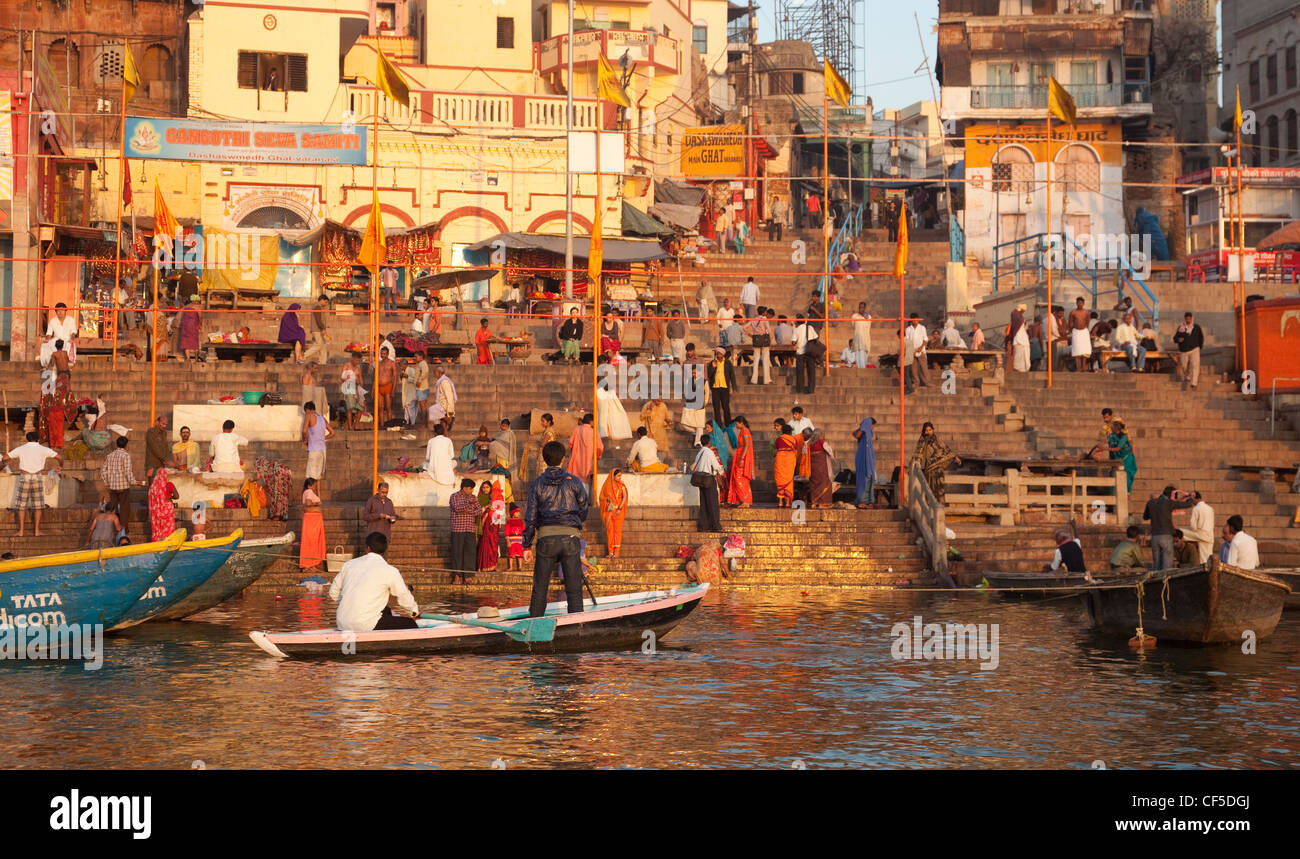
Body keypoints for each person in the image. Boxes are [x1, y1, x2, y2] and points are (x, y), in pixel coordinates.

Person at [522, 441, 590, 617]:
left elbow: (530, 517)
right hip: (570, 537)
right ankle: (577, 627)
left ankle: (534, 627)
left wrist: (526, 545)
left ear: (545, 460)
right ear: (563, 459)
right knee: (574, 588)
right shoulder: (573, 481)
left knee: (540, 588)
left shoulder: (537, 484)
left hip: (546, 539)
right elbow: (584, 508)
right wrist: (574, 523)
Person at [329, 532, 420, 631]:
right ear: (385, 550)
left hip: (342, 623)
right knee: (410, 624)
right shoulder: (390, 570)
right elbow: (403, 595)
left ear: (367, 548)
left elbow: (333, 592)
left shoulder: (348, 564)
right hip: (366, 625)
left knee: (386, 610)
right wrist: (414, 612)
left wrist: (347, 604)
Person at [5, 432, 62, 537]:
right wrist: (60, 466)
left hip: (25, 477)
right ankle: (36, 531)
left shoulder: (21, 448)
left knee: (21, 506)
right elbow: (59, 457)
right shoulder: (43, 449)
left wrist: (5, 463)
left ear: (27, 439)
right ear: (38, 439)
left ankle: (21, 531)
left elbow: (5, 457)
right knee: (38, 506)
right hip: (37, 476)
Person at [1143, 485, 1195, 571]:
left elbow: (1145, 517)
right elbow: (1188, 504)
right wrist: (1190, 497)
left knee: (1156, 566)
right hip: (1166, 537)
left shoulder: (1150, 503)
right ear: (1171, 495)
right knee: (1166, 568)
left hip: (1154, 537)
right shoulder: (1168, 503)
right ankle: (1165, 584)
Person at [911, 422, 960, 503]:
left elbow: (945, 449)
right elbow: (917, 454)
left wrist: (955, 457)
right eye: (926, 430)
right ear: (923, 431)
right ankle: (929, 505)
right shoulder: (921, 441)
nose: (928, 432)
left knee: (938, 488)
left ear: (933, 430)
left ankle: (940, 505)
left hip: (936, 469)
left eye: (930, 430)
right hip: (925, 469)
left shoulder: (937, 440)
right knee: (927, 489)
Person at [101, 436, 140, 534]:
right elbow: (128, 472)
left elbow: (103, 470)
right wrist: (135, 482)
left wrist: (106, 482)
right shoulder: (125, 455)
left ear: (116, 444)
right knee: (124, 509)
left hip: (113, 487)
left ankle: (114, 528)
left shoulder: (110, 455)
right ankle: (123, 530)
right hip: (123, 487)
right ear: (126, 445)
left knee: (113, 508)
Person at [448, 478, 480, 583]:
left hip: (470, 528)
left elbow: (479, 511)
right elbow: (457, 508)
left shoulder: (474, 497)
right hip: (458, 528)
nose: (472, 491)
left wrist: (467, 509)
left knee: (470, 552)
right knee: (457, 552)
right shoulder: (454, 497)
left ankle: (468, 576)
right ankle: (457, 575)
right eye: (471, 489)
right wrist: (469, 503)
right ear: (465, 488)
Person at [691, 440, 725, 531]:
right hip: (709, 479)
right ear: (709, 442)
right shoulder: (709, 452)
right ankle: (715, 526)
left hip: (700, 480)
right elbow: (716, 466)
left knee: (704, 504)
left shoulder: (700, 453)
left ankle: (703, 526)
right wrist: (722, 472)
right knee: (713, 503)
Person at [599, 467, 629, 557]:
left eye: (621, 476)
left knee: (617, 531)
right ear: (613, 476)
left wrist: (620, 508)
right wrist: (606, 499)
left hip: (618, 511)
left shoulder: (622, 485)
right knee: (610, 531)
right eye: (618, 476)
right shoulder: (606, 485)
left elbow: (625, 497)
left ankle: (616, 552)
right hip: (609, 511)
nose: (620, 478)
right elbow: (601, 497)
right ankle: (610, 552)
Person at [726, 416, 755, 507]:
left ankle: (745, 501)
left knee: (738, 477)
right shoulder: (744, 431)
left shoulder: (745, 431)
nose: (736, 425)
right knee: (741, 479)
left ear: (741, 423)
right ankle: (744, 501)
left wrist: (742, 458)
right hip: (740, 455)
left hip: (742, 457)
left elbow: (746, 445)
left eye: (737, 423)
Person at [566, 413, 603, 482]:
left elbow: (570, 444)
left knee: (573, 480)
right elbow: (600, 447)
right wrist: (598, 456)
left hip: (575, 463)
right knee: (585, 484)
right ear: (591, 421)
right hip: (587, 463)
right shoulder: (593, 432)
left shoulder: (576, 429)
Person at [477, 479, 504, 573]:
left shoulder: (495, 497)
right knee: (485, 543)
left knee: (494, 542)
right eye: (483, 487)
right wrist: (485, 507)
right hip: (484, 523)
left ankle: (493, 564)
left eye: (487, 487)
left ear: (491, 488)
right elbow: (476, 512)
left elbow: (500, 510)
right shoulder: (479, 498)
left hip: (494, 522)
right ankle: (483, 565)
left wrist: (498, 518)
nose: (485, 489)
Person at [146, 466, 179, 541]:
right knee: (168, 527)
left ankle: (157, 541)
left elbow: (151, 500)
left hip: (156, 510)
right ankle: (169, 541)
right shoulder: (169, 484)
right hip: (167, 508)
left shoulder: (153, 487)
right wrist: (170, 498)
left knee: (158, 527)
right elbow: (177, 496)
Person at [1173, 311, 1204, 390]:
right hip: (1184, 350)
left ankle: (1194, 383)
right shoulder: (1181, 328)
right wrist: (1178, 340)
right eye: (1187, 318)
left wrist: (1199, 347)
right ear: (1185, 319)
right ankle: (1188, 376)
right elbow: (1175, 338)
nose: (1188, 320)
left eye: (1189, 318)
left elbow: (1201, 338)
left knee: (1195, 365)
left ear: (1191, 318)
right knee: (1184, 366)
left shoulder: (1196, 327)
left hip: (1194, 349)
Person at [300, 477, 325, 572]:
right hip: (312, 520)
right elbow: (308, 503)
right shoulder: (309, 492)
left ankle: (311, 564)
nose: (315, 487)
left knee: (311, 541)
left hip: (313, 520)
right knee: (311, 541)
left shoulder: (308, 492)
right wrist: (317, 504)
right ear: (309, 485)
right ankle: (308, 564)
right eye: (314, 485)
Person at [1183, 491, 1215, 564]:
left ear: (1195, 498)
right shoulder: (1210, 508)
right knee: (1208, 557)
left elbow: (1193, 526)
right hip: (1210, 535)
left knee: (1180, 532)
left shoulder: (1196, 509)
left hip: (1200, 534)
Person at [707, 347, 736, 429]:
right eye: (717, 353)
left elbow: (732, 376)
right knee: (716, 407)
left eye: (719, 353)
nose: (718, 355)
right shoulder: (713, 363)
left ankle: (728, 423)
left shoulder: (728, 363)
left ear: (723, 354)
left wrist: (734, 387)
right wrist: (713, 366)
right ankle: (718, 424)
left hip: (724, 387)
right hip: (715, 387)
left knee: (725, 406)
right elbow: (709, 375)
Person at [773, 423, 799, 508]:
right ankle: (787, 502)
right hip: (790, 462)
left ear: (783, 431)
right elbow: (796, 452)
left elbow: (775, 451)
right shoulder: (794, 440)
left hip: (780, 461)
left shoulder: (778, 439)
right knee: (789, 481)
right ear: (790, 431)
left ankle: (780, 502)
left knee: (780, 480)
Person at [1107, 420, 1137, 492]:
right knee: (1113, 475)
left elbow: (1118, 448)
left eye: (1112, 427)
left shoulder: (1124, 437)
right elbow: (1108, 445)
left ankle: (1127, 493)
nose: (1111, 427)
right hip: (1116, 458)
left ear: (1116, 429)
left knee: (1127, 478)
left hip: (1127, 459)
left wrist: (1104, 448)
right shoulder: (1111, 436)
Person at [807, 428, 834, 508]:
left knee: (814, 483)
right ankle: (822, 503)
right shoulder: (822, 442)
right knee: (825, 482)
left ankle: (814, 503)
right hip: (822, 466)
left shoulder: (809, 443)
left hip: (812, 466)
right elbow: (830, 451)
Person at [793, 315, 820, 395]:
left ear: (797, 321)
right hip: (810, 352)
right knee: (811, 371)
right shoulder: (810, 328)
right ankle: (811, 389)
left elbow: (793, 342)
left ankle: (800, 389)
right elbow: (816, 337)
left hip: (800, 352)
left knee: (800, 371)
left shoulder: (796, 329)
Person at [854, 417, 877, 508]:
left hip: (869, 460)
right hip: (863, 460)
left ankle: (870, 501)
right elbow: (856, 435)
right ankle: (862, 501)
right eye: (873, 426)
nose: (873, 428)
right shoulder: (862, 433)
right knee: (864, 479)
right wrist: (862, 427)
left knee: (871, 479)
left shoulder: (869, 435)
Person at [302, 294, 332, 365]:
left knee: (323, 346)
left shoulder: (319, 307)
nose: (326, 304)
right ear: (321, 300)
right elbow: (318, 320)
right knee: (319, 345)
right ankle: (303, 355)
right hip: (317, 330)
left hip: (319, 329)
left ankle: (322, 363)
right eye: (325, 302)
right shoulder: (317, 306)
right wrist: (322, 329)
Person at [746, 310, 773, 384]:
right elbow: (769, 331)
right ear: (764, 312)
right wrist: (770, 341)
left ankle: (754, 380)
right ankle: (766, 380)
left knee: (756, 360)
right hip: (764, 341)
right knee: (766, 360)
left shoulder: (753, 319)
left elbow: (744, 328)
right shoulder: (765, 319)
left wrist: (751, 335)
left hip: (756, 340)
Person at [143, 414, 171, 482]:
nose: (164, 426)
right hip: (151, 465)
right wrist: (166, 460)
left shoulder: (164, 433)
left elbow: (166, 447)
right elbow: (155, 448)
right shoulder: (151, 432)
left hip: (161, 465)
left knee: (160, 486)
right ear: (158, 422)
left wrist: (166, 459)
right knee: (152, 486)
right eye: (163, 424)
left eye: (166, 424)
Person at [1067, 297, 1092, 372]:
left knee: (1084, 350)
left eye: (1081, 302)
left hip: (1084, 332)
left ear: (1083, 303)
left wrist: (1085, 330)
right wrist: (1072, 331)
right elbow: (1070, 323)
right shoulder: (1073, 312)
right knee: (1076, 350)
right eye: (1078, 302)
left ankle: (1083, 367)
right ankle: (1078, 367)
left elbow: (1087, 323)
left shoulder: (1086, 312)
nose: (1080, 304)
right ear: (1076, 303)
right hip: (1076, 332)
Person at [339, 354, 362, 431]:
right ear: (352, 358)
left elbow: (361, 380)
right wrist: (347, 378)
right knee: (350, 408)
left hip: (357, 388)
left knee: (361, 407)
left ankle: (356, 425)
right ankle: (350, 426)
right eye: (356, 360)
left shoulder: (358, 367)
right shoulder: (346, 366)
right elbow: (341, 379)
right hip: (348, 388)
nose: (357, 362)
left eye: (358, 360)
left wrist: (359, 382)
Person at [376, 347, 397, 426]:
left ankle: (390, 424)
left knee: (388, 407)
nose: (383, 355)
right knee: (380, 408)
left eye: (384, 354)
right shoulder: (379, 363)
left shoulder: (392, 363)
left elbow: (395, 377)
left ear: (388, 354)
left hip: (388, 386)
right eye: (381, 354)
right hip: (379, 387)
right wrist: (373, 389)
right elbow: (376, 377)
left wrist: (393, 390)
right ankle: (382, 425)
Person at [432, 365, 457, 431]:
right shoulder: (440, 381)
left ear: (439, 372)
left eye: (435, 373)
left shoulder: (444, 382)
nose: (434, 375)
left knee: (435, 413)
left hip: (445, 406)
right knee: (442, 426)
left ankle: (448, 419)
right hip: (441, 405)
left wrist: (450, 412)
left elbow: (449, 397)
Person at [177, 296, 202, 362]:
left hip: (185, 326)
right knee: (195, 342)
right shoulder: (198, 307)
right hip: (193, 326)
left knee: (186, 342)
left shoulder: (186, 306)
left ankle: (188, 359)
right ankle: (196, 359)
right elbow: (200, 317)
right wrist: (200, 324)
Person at [1009, 304, 1030, 373]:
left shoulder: (1019, 316)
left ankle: (1024, 369)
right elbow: (1014, 314)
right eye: (1023, 311)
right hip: (1019, 339)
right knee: (1019, 354)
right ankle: (1017, 368)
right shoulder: (1015, 314)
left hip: (1023, 339)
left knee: (1025, 353)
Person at [504, 503, 526, 571]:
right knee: (511, 554)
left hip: (519, 542)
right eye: (517, 512)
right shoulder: (509, 522)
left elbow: (524, 531)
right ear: (512, 513)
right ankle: (510, 567)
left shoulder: (521, 522)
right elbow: (506, 532)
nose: (518, 513)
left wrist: (524, 540)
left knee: (520, 555)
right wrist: (508, 541)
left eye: (519, 512)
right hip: (512, 541)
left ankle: (520, 566)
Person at [850, 303, 872, 368]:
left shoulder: (868, 317)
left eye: (862, 308)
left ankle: (863, 370)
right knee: (858, 355)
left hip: (865, 339)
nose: (861, 309)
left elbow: (869, 326)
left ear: (865, 308)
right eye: (860, 307)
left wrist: (864, 316)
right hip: (857, 339)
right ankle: (859, 369)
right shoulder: (854, 316)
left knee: (864, 355)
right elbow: (853, 326)